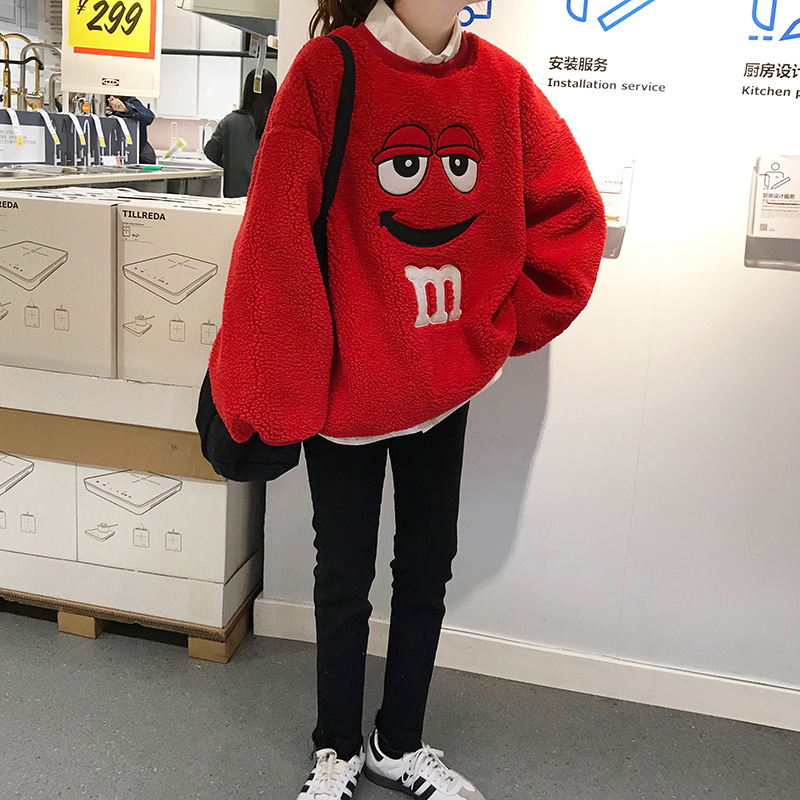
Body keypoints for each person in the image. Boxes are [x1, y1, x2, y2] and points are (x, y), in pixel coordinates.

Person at [209, 1, 606, 799]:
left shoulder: (500, 83)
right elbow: (276, 241)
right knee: (343, 578)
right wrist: (282, 389)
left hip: (443, 389)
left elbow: (569, 210)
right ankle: (336, 747)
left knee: (427, 568)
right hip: (346, 396)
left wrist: (500, 325)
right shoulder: (329, 71)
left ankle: (399, 742)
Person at [204, 69, 278, 197]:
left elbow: (210, 151)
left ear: (246, 92)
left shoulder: (230, 122)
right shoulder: (277, 124)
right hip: (267, 197)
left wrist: (231, 164)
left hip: (235, 196)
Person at [107, 95, 156, 164]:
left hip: (140, 155)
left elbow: (149, 117)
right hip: (114, 153)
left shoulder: (131, 101)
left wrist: (126, 109)